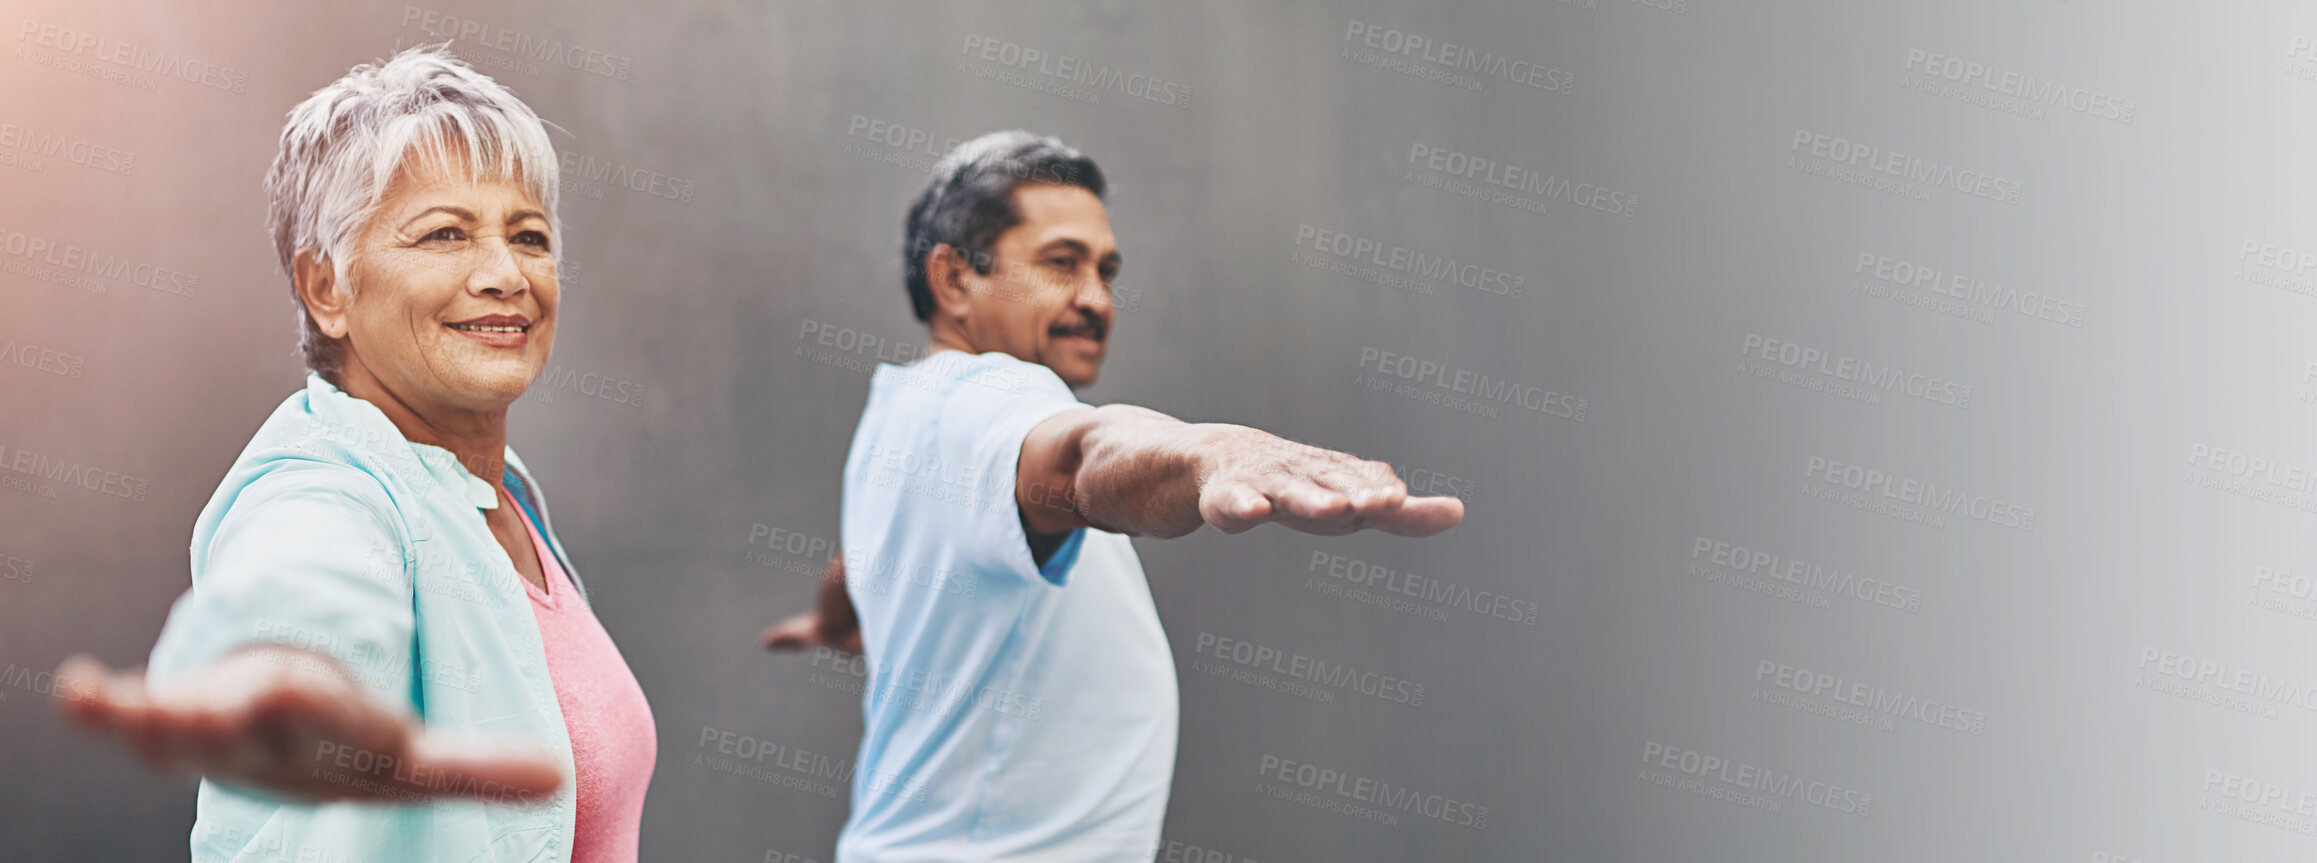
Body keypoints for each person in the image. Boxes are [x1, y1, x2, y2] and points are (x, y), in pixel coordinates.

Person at [765, 131, 1464, 862]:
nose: (1095, 298)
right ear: (953, 280)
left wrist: (836, 618)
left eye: (1106, 270)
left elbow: (869, 548)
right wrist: (1209, 452)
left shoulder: (902, 412)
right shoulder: (997, 395)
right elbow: (1080, 459)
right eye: (1060, 263)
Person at [52, 45, 656, 862]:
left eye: (529, 235)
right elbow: (305, 575)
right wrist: (287, 667)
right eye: (444, 234)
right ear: (326, 287)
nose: (506, 273)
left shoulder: (502, 496)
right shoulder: (323, 482)